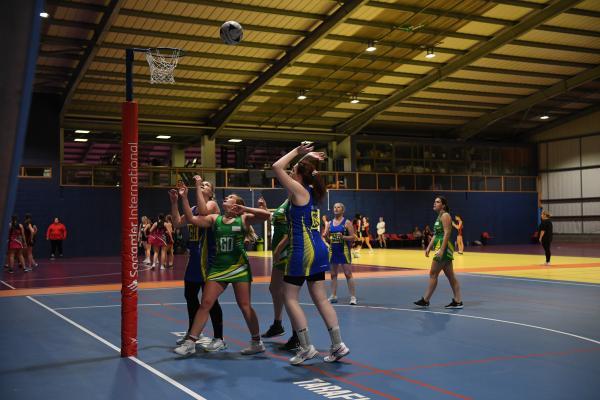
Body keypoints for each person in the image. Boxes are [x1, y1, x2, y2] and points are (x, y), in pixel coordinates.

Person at [271, 143, 349, 365]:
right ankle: (338, 344)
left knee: (289, 297)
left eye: (294, 170)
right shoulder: (311, 193)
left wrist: (297, 151)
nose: (290, 171)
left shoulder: (298, 191)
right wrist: (306, 159)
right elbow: (290, 170)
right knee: (320, 298)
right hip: (319, 250)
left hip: (302, 251)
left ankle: (306, 348)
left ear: (297, 175)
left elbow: (277, 167)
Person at [174, 188, 271, 356]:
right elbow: (190, 218)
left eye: (231, 197)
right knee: (205, 303)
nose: (226, 197)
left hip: (239, 267)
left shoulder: (244, 219)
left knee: (245, 306)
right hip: (218, 268)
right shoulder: (214, 219)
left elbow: (266, 216)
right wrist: (183, 198)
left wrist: (247, 209)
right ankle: (190, 342)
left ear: (237, 205)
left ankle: (256, 342)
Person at [170, 176, 225, 351]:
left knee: (210, 300)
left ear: (212, 193)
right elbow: (177, 224)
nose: (202, 186)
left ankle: (219, 337)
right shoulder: (191, 208)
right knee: (190, 296)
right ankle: (194, 331)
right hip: (194, 259)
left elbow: (203, 212)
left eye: (206, 185)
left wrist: (195, 186)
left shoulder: (212, 206)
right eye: (201, 185)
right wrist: (176, 201)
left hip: (209, 259)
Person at [259, 196, 300, 351]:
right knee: (274, 289)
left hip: (286, 250)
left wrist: (278, 249)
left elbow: (292, 229)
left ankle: (298, 335)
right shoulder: (286, 200)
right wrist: (265, 209)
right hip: (279, 250)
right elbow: (276, 220)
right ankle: (277, 325)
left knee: (286, 294)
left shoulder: (295, 200)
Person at [414, 196, 463, 309]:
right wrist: (428, 247)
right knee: (450, 276)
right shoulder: (439, 217)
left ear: (443, 205)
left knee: (433, 273)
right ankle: (458, 301)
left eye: (437, 202)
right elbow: (436, 234)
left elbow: (447, 233)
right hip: (439, 245)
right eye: (434, 201)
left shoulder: (445, 215)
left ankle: (425, 300)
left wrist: (441, 249)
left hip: (443, 246)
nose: (434, 203)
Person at [324, 203, 357, 305]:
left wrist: (343, 237)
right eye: (334, 207)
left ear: (343, 210)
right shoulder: (329, 223)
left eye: (338, 207)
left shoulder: (347, 223)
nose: (336, 209)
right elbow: (329, 239)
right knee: (333, 274)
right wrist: (326, 237)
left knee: (348, 274)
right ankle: (333, 295)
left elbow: (353, 237)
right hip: (333, 250)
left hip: (344, 251)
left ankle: (353, 297)